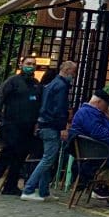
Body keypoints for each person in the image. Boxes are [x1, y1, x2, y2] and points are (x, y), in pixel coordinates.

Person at [0, 57, 41, 196]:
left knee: (20, 156)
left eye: (33, 64)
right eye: (28, 64)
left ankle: (10, 185)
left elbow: (38, 104)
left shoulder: (36, 84)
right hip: (11, 124)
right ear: (21, 65)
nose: (31, 66)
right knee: (7, 154)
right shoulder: (12, 81)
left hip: (28, 126)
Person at [21, 60, 77, 201]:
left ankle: (44, 191)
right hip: (52, 125)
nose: (74, 75)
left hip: (44, 124)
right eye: (73, 71)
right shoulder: (61, 86)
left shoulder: (52, 84)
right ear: (68, 70)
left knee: (47, 158)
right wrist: (63, 127)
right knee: (48, 159)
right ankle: (28, 189)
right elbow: (60, 109)